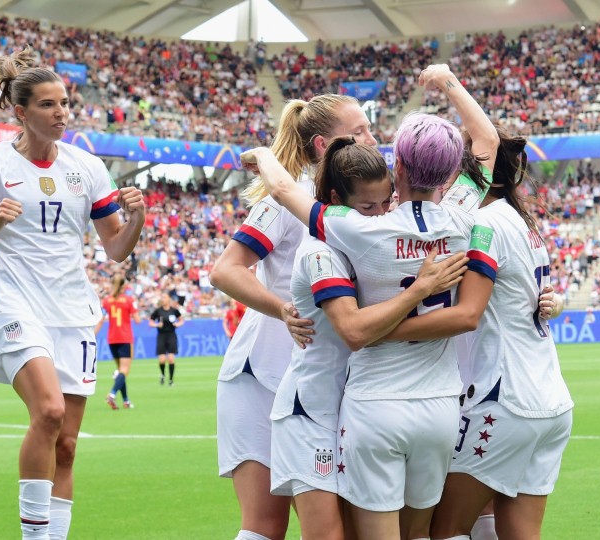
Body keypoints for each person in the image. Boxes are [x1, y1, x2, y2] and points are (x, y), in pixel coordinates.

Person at [243, 63, 498, 540]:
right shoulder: (463, 218)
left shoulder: (359, 227)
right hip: (438, 404)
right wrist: (447, 82)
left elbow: (282, 189)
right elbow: (486, 142)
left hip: (372, 404)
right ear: (449, 171)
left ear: (396, 167)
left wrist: (261, 153)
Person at [0, 48, 144, 540]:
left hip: (73, 311)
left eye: (64, 103)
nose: (61, 114)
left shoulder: (88, 166)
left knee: (68, 445)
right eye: (49, 105)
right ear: (20, 111)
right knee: (49, 412)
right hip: (17, 303)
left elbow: (115, 248)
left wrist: (136, 218)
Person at [382, 129, 573, 540]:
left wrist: (384, 330)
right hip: (551, 401)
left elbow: (468, 314)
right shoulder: (523, 222)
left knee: (444, 528)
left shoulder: (482, 225)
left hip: (505, 402)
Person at [210, 93, 377, 540]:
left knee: (334, 526)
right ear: (324, 146)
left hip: (321, 382)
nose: (372, 138)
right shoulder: (289, 198)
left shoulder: (366, 202)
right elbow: (225, 270)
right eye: (359, 131)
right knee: (266, 525)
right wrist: (282, 309)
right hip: (261, 374)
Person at [96, 274, 141, 410]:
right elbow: (138, 320)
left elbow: (101, 320)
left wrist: (92, 335)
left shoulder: (107, 301)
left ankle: (126, 401)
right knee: (124, 370)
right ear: (124, 286)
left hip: (112, 338)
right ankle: (112, 394)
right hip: (125, 337)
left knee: (120, 370)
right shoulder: (129, 300)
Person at [149, 294, 182, 386]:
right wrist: (156, 325)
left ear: (169, 299)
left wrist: (178, 324)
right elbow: (150, 322)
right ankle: (163, 375)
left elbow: (181, 320)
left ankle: (171, 380)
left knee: (171, 358)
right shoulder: (158, 311)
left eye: (165, 297)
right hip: (161, 335)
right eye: (162, 297)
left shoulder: (174, 310)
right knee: (162, 360)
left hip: (171, 335)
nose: (163, 299)